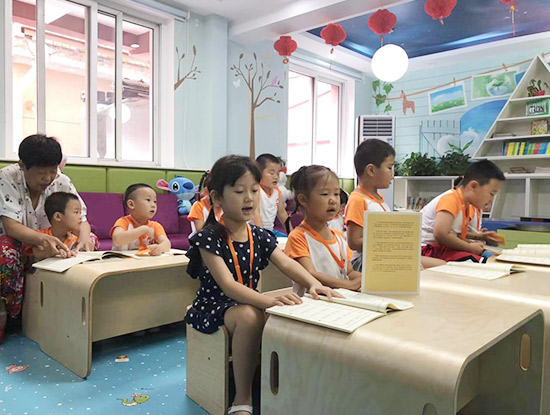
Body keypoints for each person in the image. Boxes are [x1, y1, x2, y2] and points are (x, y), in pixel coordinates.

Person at [184, 155, 340, 415]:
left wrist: (314, 283)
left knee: (286, 314)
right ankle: (242, 398)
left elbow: (287, 263)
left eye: (254, 190)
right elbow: (228, 285)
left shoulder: (258, 234)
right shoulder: (209, 237)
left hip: (248, 302)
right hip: (214, 306)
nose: (249, 198)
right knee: (251, 315)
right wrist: (269, 302)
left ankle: (280, 386)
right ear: (217, 197)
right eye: (239, 191)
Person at [0, 134, 94, 342]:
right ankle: (11, 316)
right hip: (20, 242)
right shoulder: (7, 177)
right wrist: (42, 240)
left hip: (54, 240)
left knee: (91, 240)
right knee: (5, 250)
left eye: (52, 171)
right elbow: (10, 226)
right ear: (22, 166)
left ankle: (74, 311)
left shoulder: (61, 180)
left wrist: (84, 237)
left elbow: (82, 219)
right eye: (41, 173)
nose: (48, 179)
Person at [284, 166, 361, 296]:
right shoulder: (298, 237)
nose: (333, 200)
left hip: (338, 301)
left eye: (336, 194)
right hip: (313, 302)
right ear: (303, 200)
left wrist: (361, 278)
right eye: (325, 194)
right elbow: (311, 274)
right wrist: (348, 285)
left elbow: (348, 272)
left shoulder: (339, 236)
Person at [421, 160, 506, 262]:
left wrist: (478, 237)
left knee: (489, 257)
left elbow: (455, 234)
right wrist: (468, 247)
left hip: (441, 249)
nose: (491, 200)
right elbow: (440, 234)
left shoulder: (465, 205)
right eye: (491, 194)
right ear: (473, 186)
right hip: (429, 250)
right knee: (479, 261)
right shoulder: (451, 199)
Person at [344, 139, 395, 271]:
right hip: (365, 263)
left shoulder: (379, 198)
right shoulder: (358, 200)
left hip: (383, 258)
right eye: (389, 168)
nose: (392, 174)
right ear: (371, 170)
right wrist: (389, 245)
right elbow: (354, 241)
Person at [110, 184, 171, 255]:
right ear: (131, 204)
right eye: (148, 200)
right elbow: (117, 240)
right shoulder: (123, 222)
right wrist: (143, 229)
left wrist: (159, 248)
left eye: (155, 201)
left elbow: (166, 243)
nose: (153, 205)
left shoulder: (155, 226)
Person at [27, 192, 82, 260]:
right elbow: (36, 253)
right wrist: (54, 253)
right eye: (76, 212)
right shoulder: (40, 236)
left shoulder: (76, 240)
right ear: (58, 216)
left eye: (80, 213)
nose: (80, 216)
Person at [252, 153, 289, 236]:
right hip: (255, 232)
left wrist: (291, 233)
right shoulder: (256, 190)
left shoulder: (276, 191)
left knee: (289, 240)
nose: (275, 177)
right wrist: (262, 236)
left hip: (270, 231)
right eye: (271, 173)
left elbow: (283, 214)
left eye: (278, 173)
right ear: (259, 174)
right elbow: (255, 214)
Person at [187, 171, 222, 236]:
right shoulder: (198, 206)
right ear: (206, 191)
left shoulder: (225, 207)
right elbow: (200, 230)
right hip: (202, 240)